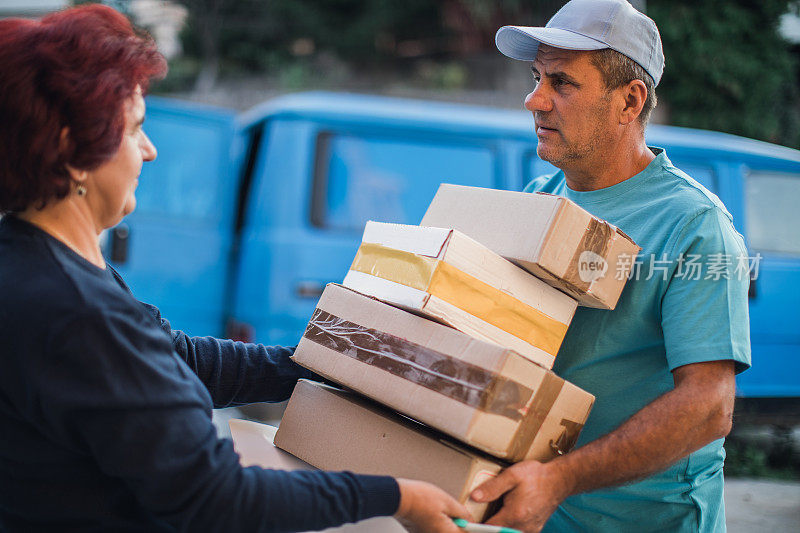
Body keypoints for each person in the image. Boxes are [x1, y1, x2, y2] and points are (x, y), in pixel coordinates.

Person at [0, 5, 471, 532]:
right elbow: (216, 495)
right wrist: (397, 497)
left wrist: (337, 367)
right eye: (134, 130)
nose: (149, 152)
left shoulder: (35, 261)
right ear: (71, 148)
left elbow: (177, 360)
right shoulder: (75, 311)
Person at [471, 1, 751, 531]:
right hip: (536, 513)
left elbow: (710, 405)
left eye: (562, 83)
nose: (534, 100)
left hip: (644, 521)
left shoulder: (695, 227)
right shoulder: (539, 197)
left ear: (629, 101)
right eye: (535, 78)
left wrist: (557, 480)